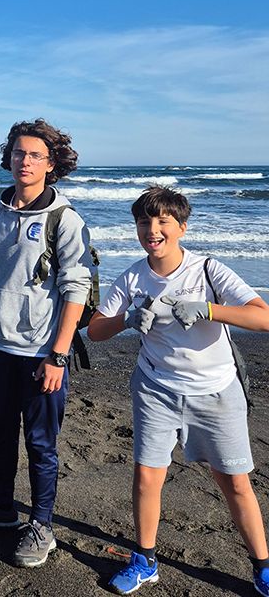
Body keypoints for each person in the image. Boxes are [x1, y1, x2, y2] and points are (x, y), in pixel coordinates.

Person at [87, 186, 269, 596]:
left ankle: (263, 567)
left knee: (235, 482)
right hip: (155, 390)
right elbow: (95, 330)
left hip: (216, 392)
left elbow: (263, 317)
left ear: (182, 227)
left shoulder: (208, 270)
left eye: (163, 221)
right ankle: (145, 561)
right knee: (146, 477)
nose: (152, 230)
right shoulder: (133, 277)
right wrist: (127, 320)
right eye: (143, 222)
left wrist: (210, 310)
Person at [0, 119, 94, 568]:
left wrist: (58, 355)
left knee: (40, 444)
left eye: (35, 155)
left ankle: (42, 525)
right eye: (18, 152)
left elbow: (76, 289)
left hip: (41, 354)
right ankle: (2, 509)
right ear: (8, 157)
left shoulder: (64, 219)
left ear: (51, 164)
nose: (25, 161)